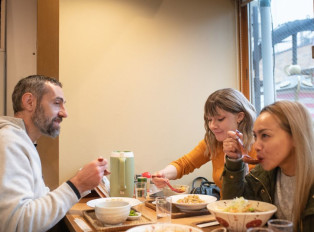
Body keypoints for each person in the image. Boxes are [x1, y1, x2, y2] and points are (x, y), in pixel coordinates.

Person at [0, 75, 109, 232]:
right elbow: (16, 224)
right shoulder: (9, 142)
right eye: (57, 103)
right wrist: (78, 184)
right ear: (29, 102)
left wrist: (85, 183)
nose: (64, 113)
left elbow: (38, 201)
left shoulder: (23, 141)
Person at [222, 100, 314, 231]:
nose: (256, 146)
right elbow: (233, 209)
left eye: (265, 135)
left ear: (295, 136)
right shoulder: (263, 175)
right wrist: (234, 161)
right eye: (256, 136)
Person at [152, 88, 257, 194]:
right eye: (209, 120)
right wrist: (164, 174)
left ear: (240, 116)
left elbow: (250, 191)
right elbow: (185, 163)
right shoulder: (213, 142)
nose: (212, 126)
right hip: (224, 207)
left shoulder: (259, 146)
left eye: (220, 119)